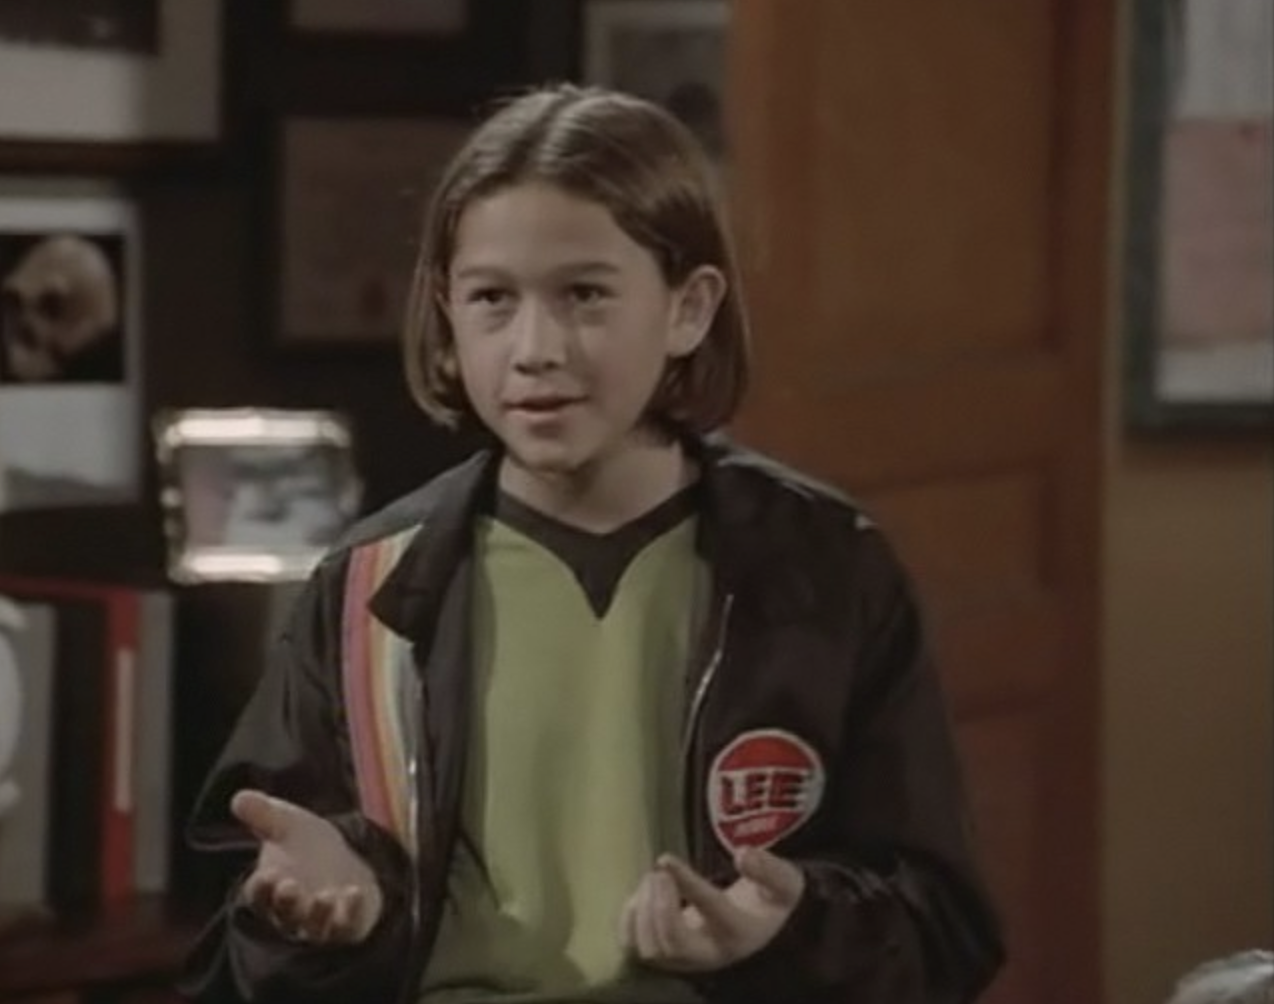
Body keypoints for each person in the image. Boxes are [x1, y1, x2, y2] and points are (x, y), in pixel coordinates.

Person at [178, 83, 1005, 1004]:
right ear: (446, 314)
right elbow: (237, 941)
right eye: (492, 298)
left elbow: (942, 928)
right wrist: (339, 917)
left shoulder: (823, 569)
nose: (535, 347)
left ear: (688, 310)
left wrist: (787, 930)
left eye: (584, 296)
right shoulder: (371, 586)